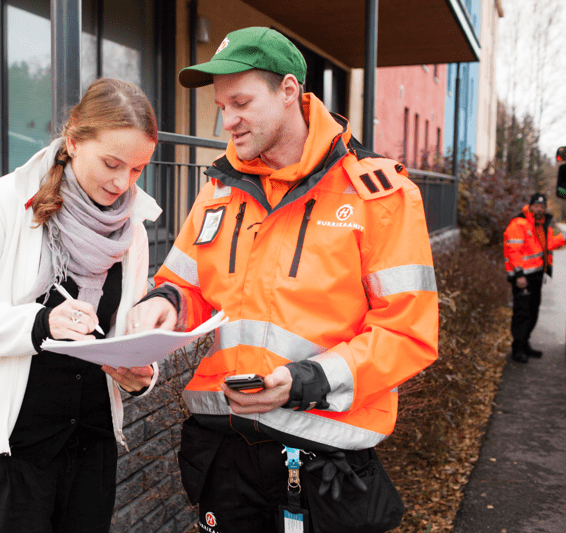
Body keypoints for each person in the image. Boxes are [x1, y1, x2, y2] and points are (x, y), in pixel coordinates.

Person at [127, 27, 439, 533]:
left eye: (242, 103)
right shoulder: (219, 189)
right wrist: (164, 303)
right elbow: (186, 285)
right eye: (221, 106)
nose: (228, 121)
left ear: (289, 91)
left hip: (322, 463)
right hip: (223, 451)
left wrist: (307, 381)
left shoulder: (380, 194)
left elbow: (408, 334)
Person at [0, 78, 162, 533]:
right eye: (112, 163)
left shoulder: (134, 232)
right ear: (72, 141)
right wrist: (37, 324)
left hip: (91, 448)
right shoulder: (1, 205)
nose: (121, 182)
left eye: (137, 169)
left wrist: (141, 378)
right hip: (6, 452)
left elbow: (128, 334)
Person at [503, 192, 565, 363]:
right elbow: (513, 251)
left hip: (537, 276)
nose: (539, 209)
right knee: (522, 313)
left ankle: (525, 344)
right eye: (536, 206)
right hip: (522, 278)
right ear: (529, 206)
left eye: (542, 207)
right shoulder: (519, 224)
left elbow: (549, 243)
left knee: (533, 312)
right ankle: (518, 348)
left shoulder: (541, 224)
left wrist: (563, 238)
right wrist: (519, 274)